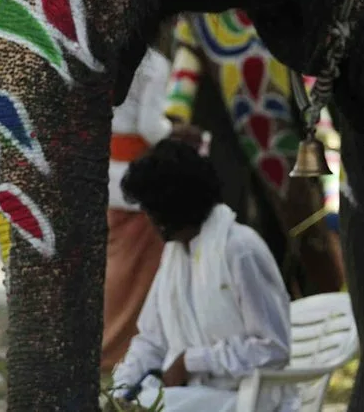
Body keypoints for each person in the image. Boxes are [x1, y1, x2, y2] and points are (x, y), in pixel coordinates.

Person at [110, 139, 295, 412]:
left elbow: (272, 349)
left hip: (250, 398)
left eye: (150, 209)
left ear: (169, 210)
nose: (148, 219)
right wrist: (122, 389)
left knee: (155, 408)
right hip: (198, 395)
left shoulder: (239, 248)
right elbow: (151, 339)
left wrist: (190, 361)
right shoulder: (174, 256)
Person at [101, 43, 177, 370]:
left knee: (114, 261)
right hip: (134, 176)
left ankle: (108, 347)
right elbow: (150, 126)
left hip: (104, 172)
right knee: (133, 269)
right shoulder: (154, 64)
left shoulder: (105, 54)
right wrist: (175, 130)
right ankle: (115, 349)